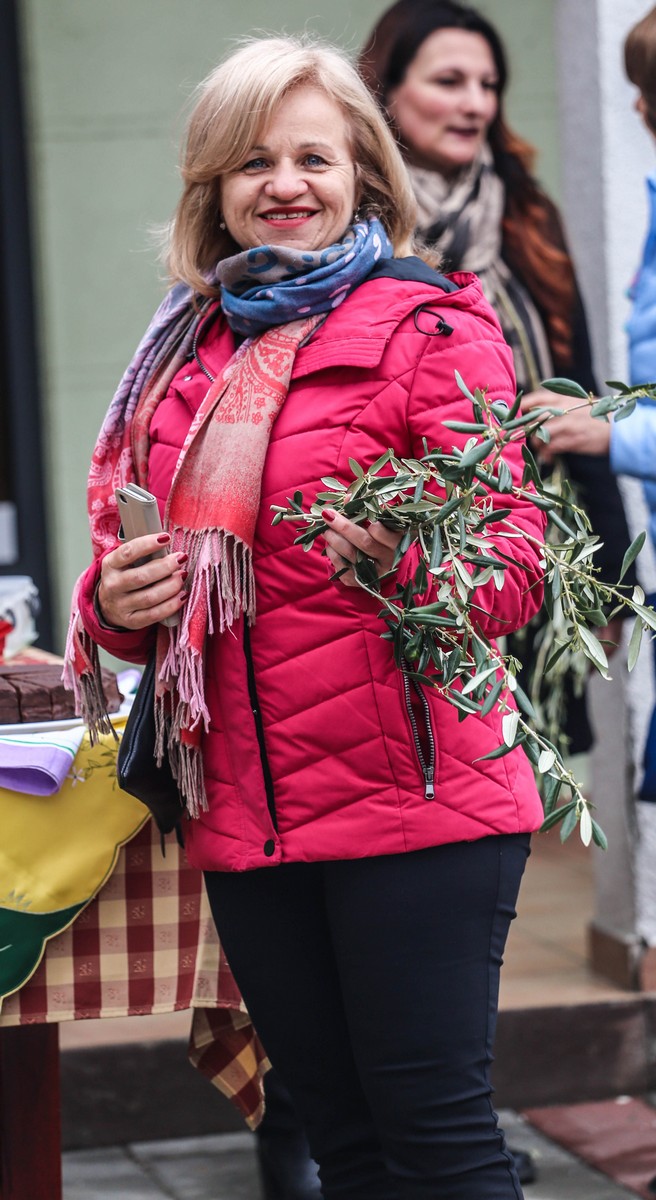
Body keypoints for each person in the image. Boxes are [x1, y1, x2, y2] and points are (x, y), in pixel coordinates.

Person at [65, 34, 547, 1198]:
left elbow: (515, 574)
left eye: (311, 158)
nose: (283, 183)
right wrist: (115, 604)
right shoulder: (180, 356)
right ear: (214, 194)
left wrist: (415, 567)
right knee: (341, 1146)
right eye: (251, 163)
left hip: (417, 813)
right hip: (251, 820)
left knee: (435, 1145)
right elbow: (137, 585)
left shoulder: (432, 330)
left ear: (363, 179)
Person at [359, 0, 635, 750]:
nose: (477, 103)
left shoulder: (524, 216)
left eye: (489, 84)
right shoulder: (351, 229)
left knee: (521, 774)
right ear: (384, 90)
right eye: (450, 80)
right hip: (395, 563)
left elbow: (576, 388)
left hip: (525, 553)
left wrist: (608, 576)